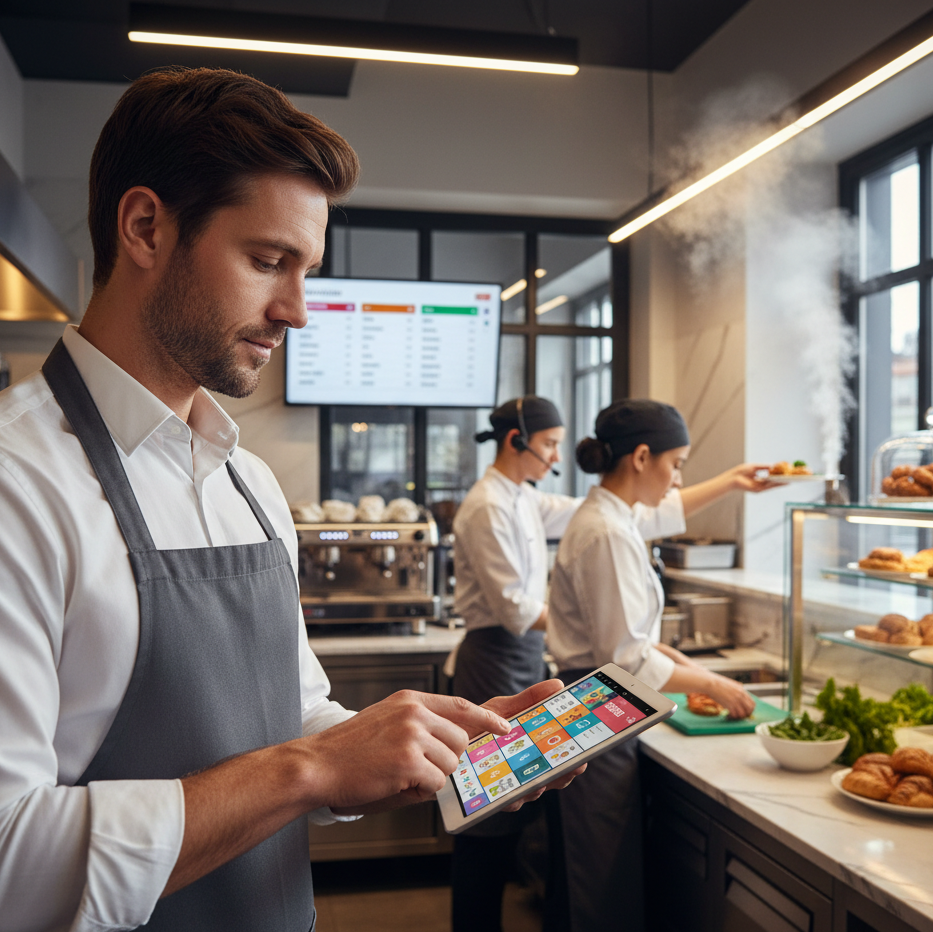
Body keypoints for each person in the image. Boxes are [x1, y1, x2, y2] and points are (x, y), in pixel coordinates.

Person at [0, 67, 582, 932]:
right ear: (145, 226)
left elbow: (295, 718)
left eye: (305, 269)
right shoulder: (18, 481)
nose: (298, 311)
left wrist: (431, 741)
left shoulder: (249, 483)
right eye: (268, 261)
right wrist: (304, 769)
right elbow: (11, 864)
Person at [546, 399, 774, 932]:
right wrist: (711, 682)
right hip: (594, 706)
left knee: (592, 859)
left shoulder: (614, 515)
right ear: (642, 457)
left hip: (598, 702)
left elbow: (660, 516)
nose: (677, 479)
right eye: (676, 464)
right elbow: (624, 658)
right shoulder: (604, 530)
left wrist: (732, 481)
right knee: (597, 868)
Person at [450, 395, 581, 931]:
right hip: (493, 662)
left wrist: (727, 484)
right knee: (486, 819)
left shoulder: (525, 496)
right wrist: (586, 626)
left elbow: (600, 510)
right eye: (549, 444)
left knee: (518, 808)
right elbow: (515, 610)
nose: (554, 457)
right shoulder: (486, 505)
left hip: (525, 661)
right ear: (516, 440)